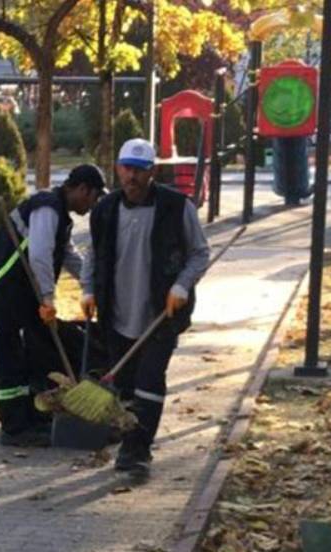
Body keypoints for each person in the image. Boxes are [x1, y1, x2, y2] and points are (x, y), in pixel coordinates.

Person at [83, 138, 210, 482]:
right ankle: (129, 442)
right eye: (127, 168)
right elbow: (94, 255)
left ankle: (138, 452)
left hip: (160, 316)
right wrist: (89, 289)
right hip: (116, 314)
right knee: (124, 384)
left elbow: (199, 253)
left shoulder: (177, 207)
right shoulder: (104, 210)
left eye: (140, 170)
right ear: (118, 169)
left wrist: (181, 286)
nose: (132, 177)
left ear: (152, 171)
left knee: (149, 381)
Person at [0, 164, 106, 447]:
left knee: (29, 355)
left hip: (19, 296)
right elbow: (40, 256)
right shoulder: (47, 208)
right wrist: (48, 298)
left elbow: (68, 254)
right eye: (93, 198)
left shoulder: (61, 215)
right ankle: (14, 428)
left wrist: (91, 285)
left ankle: (30, 416)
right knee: (7, 357)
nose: (93, 205)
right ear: (83, 190)